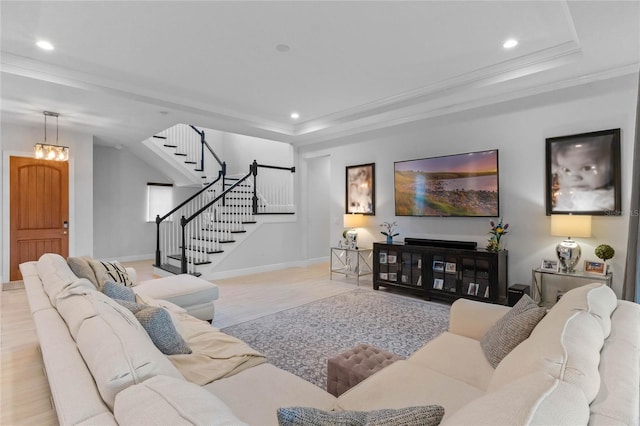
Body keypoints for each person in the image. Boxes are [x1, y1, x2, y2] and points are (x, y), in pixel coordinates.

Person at [552, 138, 614, 211]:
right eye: (566, 170)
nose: (575, 178)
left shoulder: (609, 198)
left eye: (586, 168)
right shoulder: (567, 193)